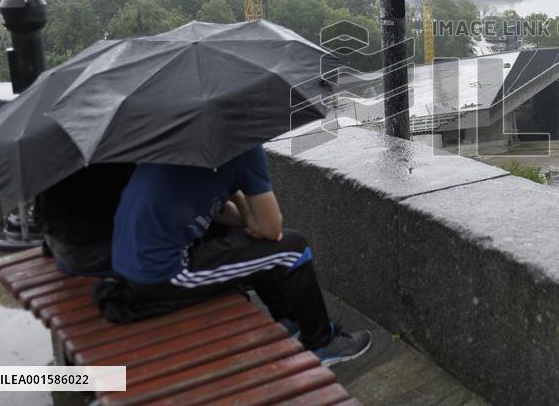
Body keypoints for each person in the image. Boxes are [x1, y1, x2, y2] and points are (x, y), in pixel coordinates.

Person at [108, 145, 371, 366]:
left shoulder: (179, 144)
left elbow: (222, 213)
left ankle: (288, 322)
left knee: (250, 243)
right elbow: (270, 229)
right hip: (163, 274)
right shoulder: (245, 152)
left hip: (125, 264)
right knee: (293, 249)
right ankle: (321, 343)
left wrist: (237, 202)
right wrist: (240, 192)